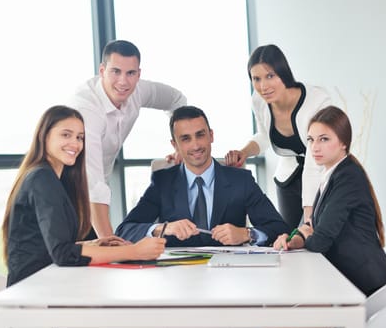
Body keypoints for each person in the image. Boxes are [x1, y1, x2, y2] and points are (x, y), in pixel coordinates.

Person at [2, 105, 166, 287]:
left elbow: (47, 246)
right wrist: (134, 251)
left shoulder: (57, 179)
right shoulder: (42, 178)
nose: (75, 144)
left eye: (80, 137)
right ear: (44, 135)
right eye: (66, 135)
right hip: (32, 292)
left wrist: (94, 244)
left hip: (47, 284)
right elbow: (63, 254)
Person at [116, 105, 289, 247]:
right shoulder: (162, 182)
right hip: (178, 278)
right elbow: (125, 230)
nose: (196, 145)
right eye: (185, 139)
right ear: (175, 144)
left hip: (230, 275)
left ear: (211, 135)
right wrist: (163, 228)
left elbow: (280, 228)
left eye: (200, 135)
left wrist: (246, 234)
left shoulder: (241, 181)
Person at [69, 39, 187, 239]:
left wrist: (181, 145)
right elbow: (93, 184)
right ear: (102, 70)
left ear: (138, 74)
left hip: (92, 198)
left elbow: (177, 100)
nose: (123, 81)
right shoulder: (86, 109)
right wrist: (111, 244)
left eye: (130, 73)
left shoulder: (138, 90)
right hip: (65, 194)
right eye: (115, 71)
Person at [273, 106, 386, 297]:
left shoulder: (348, 177)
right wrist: (296, 239)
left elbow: (320, 240)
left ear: (343, 142)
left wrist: (308, 233)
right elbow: (312, 226)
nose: (315, 147)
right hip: (346, 284)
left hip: (366, 289)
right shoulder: (332, 175)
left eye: (324, 139)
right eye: (311, 140)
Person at [225, 44, 331, 232]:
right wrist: (244, 152)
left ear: (283, 72)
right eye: (256, 79)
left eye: (270, 76)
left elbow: (316, 159)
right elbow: (265, 135)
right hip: (288, 178)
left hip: (320, 172)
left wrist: (308, 216)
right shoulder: (258, 101)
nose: (263, 86)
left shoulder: (317, 100)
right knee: (287, 236)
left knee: (315, 233)